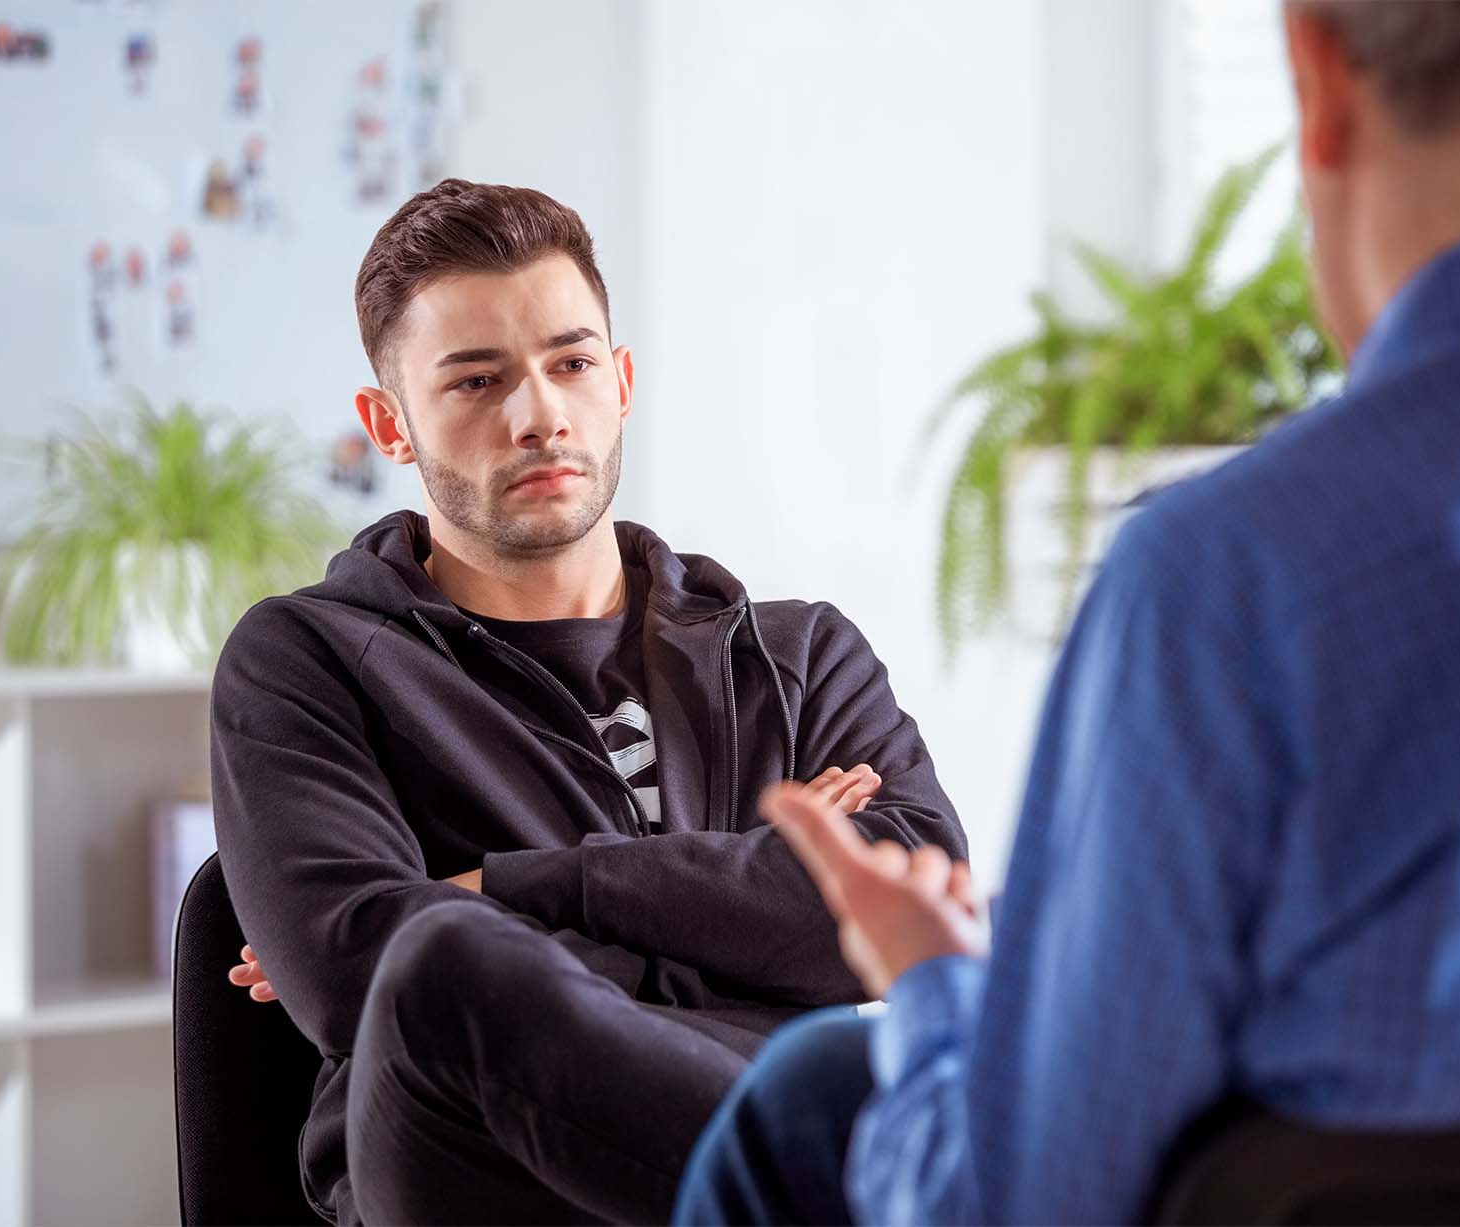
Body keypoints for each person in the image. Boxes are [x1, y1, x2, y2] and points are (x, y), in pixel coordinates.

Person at [672, 2, 1460, 1223]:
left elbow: (1020, 1204)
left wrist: (933, 983)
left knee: (818, 1094)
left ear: (1318, 82)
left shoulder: (1228, 579)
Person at [208, 179, 968, 1225]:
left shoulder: (798, 653)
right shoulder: (306, 658)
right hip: (494, 1180)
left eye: (568, 364)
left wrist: (507, 886)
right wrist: (746, 905)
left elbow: (919, 895)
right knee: (442, 967)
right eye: (475, 383)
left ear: (618, 380)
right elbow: (350, 974)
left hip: (781, 1119)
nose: (538, 416)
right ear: (390, 424)